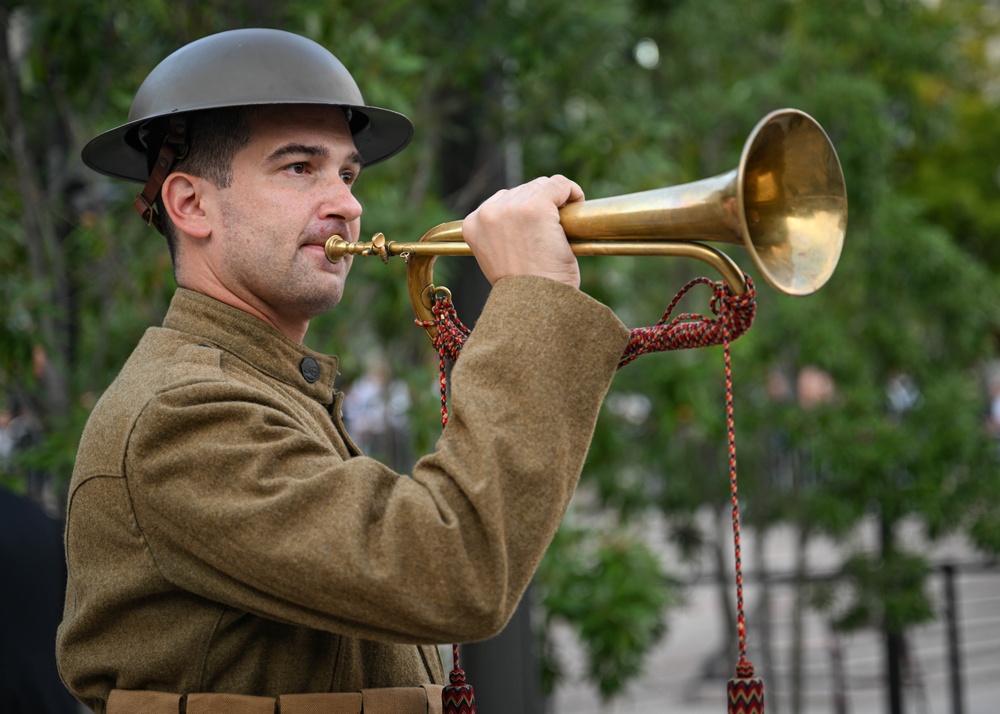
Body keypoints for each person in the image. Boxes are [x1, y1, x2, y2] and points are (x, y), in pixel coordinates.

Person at [56, 28, 629, 714]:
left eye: (348, 174)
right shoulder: (181, 414)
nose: (348, 203)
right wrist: (533, 300)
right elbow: (458, 570)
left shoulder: (263, 385)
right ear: (190, 204)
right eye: (300, 168)